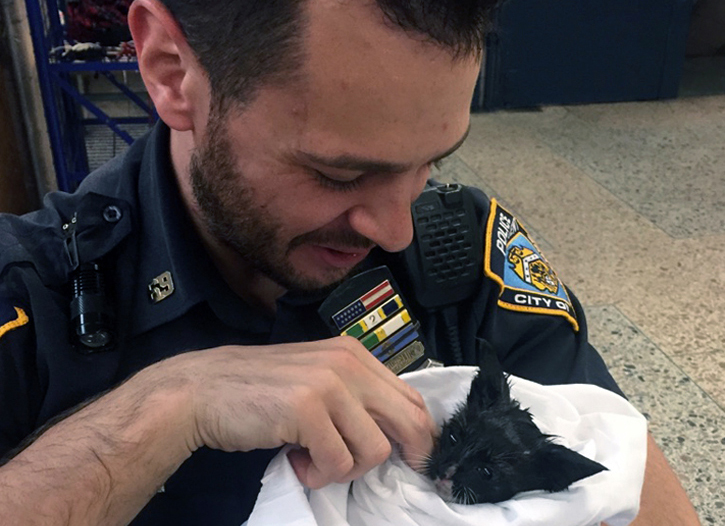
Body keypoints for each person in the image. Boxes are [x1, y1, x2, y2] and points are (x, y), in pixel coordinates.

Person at [0, 0, 700, 525]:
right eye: (338, 175)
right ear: (171, 72)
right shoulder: (29, 300)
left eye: (431, 163)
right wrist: (163, 408)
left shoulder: (461, 255)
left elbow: (628, 481)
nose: (396, 231)